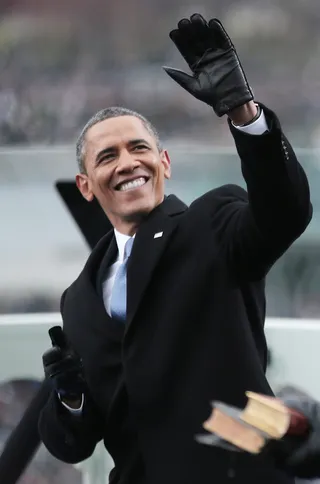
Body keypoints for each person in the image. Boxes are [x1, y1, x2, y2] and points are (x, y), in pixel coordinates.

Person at [38, 14, 312, 484]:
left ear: (164, 162)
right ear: (86, 185)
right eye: (108, 156)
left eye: (139, 148)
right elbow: (76, 443)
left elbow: (285, 211)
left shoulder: (213, 223)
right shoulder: (78, 298)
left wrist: (243, 112)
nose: (128, 163)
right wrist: (70, 398)